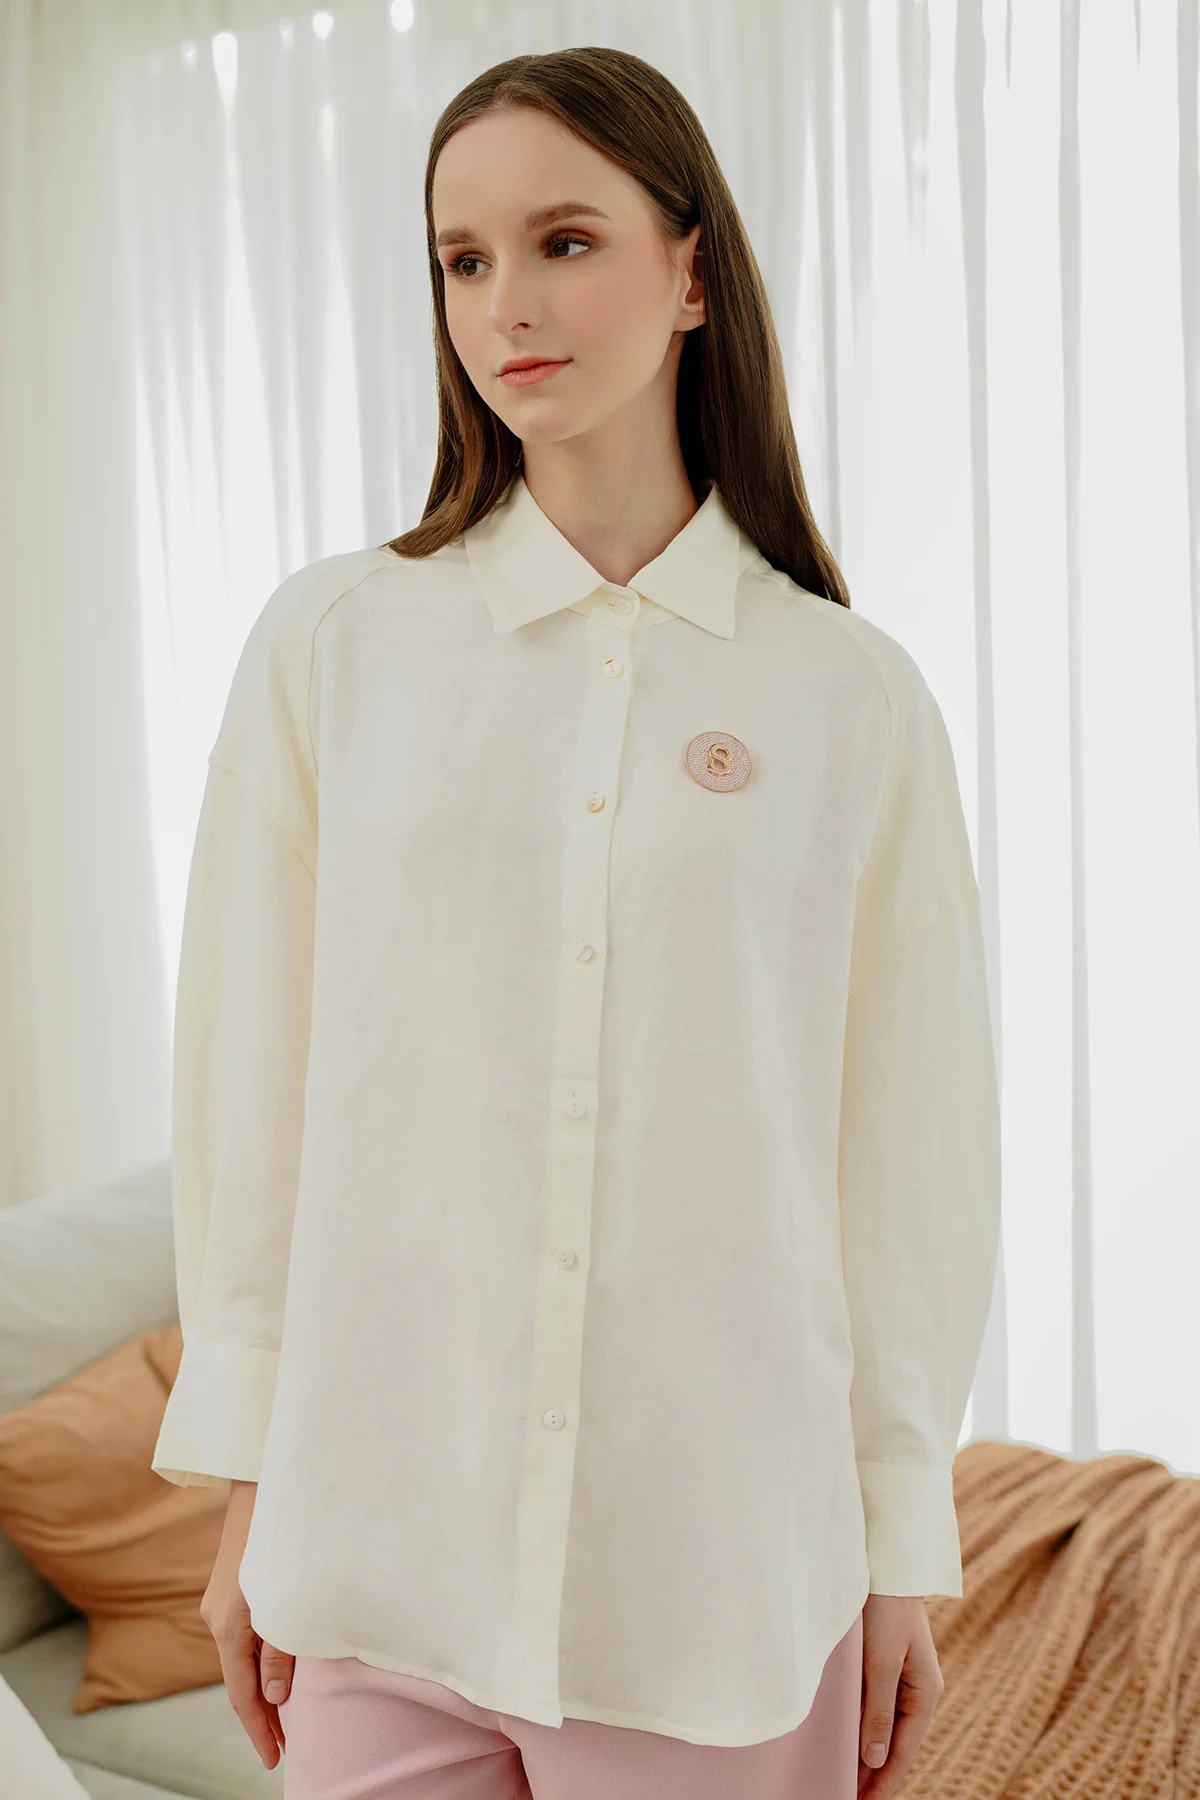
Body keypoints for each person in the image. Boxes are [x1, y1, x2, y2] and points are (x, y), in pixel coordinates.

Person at [151, 44, 1001, 1800]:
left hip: (716, 1588)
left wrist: (901, 1548)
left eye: (563, 241)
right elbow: (254, 1092)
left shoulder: (850, 698)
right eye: (462, 259)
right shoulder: (334, 649)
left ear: (692, 273)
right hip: (380, 1562)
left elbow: (904, 1157)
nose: (505, 304)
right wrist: (249, 1494)